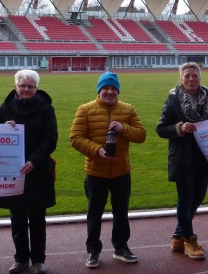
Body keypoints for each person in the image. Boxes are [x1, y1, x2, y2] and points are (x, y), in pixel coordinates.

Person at [71, 71, 146, 268]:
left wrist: (123, 128)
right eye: (106, 88)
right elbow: (75, 138)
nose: (110, 92)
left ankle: (121, 247)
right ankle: (93, 251)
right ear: (99, 90)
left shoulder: (128, 110)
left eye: (113, 88)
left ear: (118, 90)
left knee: (121, 213)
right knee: (94, 214)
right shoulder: (85, 110)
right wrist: (97, 150)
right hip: (96, 172)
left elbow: (141, 135)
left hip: (122, 171)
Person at [0, 70, 57, 274]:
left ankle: (38, 260)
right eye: (23, 85)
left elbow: (50, 139)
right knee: (17, 217)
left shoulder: (46, 108)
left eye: (30, 86)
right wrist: (3, 128)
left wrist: (34, 161)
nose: (26, 89)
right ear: (15, 87)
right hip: (13, 171)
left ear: (36, 88)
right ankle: (21, 259)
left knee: (37, 217)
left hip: (37, 171)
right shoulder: (6, 108)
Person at [156, 62, 208, 260]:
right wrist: (180, 128)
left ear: (200, 77)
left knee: (198, 197)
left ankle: (178, 236)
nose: (191, 79)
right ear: (181, 79)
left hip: (205, 157)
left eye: (194, 75)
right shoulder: (173, 100)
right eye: (187, 76)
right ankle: (189, 240)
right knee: (185, 200)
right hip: (183, 158)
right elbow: (161, 128)